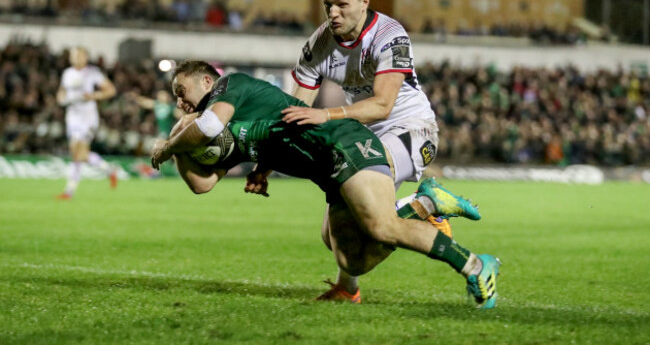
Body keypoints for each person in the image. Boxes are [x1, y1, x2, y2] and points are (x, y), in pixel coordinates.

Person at [150, 60, 501, 309]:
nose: (179, 102)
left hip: (341, 141)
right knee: (351, 259)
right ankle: (422, 205)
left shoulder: (232, 85)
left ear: (208, 82)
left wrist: (169, 146)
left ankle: (474, 265)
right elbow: (202, 184)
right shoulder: (229, 136)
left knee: (381, 226)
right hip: (329, 170)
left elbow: (209, 126)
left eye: (182, 90)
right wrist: (177, 147)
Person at [258, 0, 461, 300]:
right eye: (328, 4)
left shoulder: (390, 36)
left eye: (342, 4)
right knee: (334, 238)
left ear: (365, 1)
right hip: (364, 136)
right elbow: (294, 112)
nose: (333, 13)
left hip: (411, 130)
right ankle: (348, 287)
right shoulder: (319, 43)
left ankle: (423, 207)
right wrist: (264, 164)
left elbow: (382, 105)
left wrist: (326, 115)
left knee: (367, 225)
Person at [56, 47, 118, 199]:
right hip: (72, 117)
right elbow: (61, 92)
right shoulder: (67, 73)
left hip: (88, 118)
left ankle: (68, 192)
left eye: (78, 55)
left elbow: (111, 90)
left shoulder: (93, 73)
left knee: (78, 152)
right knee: (78, 154)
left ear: (85, 57)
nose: (75, 57)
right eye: (73, 55)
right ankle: (109, 169)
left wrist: (94, 95)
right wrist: (61, 99)